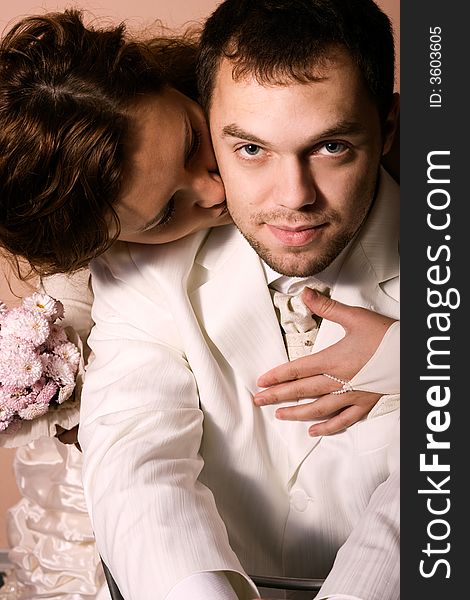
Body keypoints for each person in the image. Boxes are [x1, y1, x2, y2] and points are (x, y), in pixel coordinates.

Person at [77, 1, 400, 599]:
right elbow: (135, 456)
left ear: (387, 129)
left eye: (331, 147)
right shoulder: (143, 264)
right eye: (250, 149)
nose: (293, 197)